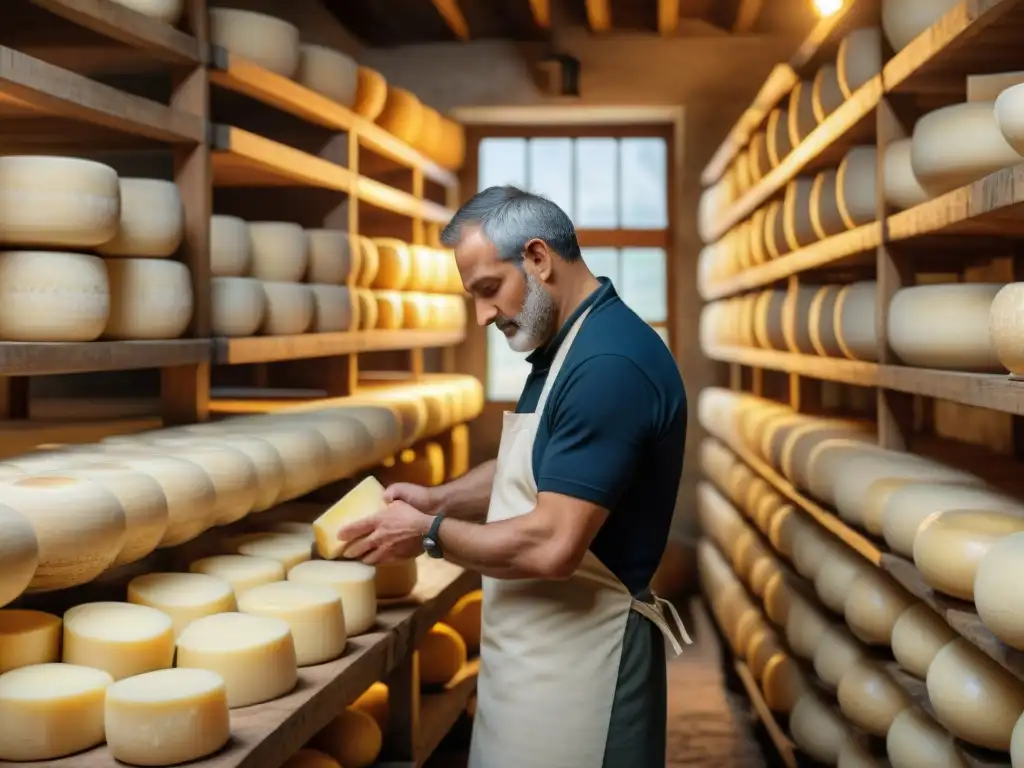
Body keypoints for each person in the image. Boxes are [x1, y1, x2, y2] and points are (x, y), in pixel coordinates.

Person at [336, 185, 690, 768]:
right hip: (536, 663)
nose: (481, 315)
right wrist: (439, 496)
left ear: (537, 258)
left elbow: (552, 545)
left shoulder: (608, 366)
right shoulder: (565, 346)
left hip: (585, 673)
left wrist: (428, 531)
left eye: (487, 290)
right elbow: (538, 468)